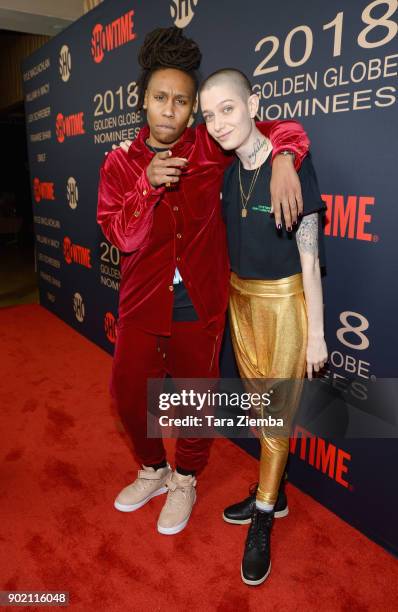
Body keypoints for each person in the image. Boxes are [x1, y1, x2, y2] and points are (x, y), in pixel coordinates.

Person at [97, 27, 310, 537]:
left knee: (195, 402)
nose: (170, 109)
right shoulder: (120, 163)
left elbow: (285, 130)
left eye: (182, 102)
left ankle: (186, 478)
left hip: (198, 300)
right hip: (142, 303)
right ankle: (153, 469)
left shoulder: (208, 148)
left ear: (193, 110)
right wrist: (145, 186)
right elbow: (122, 236)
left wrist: (284, 158)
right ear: (143, 101)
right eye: (160, 98)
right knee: (128, 395)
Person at [199, 68, 328, 584]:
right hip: (241, 303)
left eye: (227, 109)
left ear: (254, 105)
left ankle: (263, 517)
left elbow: (310, 258)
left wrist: (316, 334)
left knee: (276, 418)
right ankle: (273, 495)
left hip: (285, 306)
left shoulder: (294, 167)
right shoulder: (230, 174)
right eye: (209, 116)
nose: (217, 124)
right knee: (262, 412)